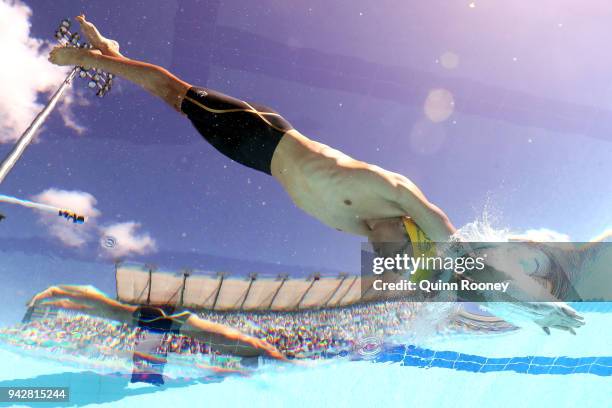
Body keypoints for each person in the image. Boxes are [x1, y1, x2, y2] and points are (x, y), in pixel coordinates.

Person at [46, 15, 584, 334]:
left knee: (177, 105)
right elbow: (456, 243)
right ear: (406, 233)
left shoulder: (368, 228)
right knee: (174, 90)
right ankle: (102, 56)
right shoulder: (398, 195)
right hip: (264, 134)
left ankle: (112, 53)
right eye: (392, 254)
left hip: (254, 159)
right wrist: (529, 297)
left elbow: (464, 278)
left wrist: (531, 315)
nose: (384, 259)